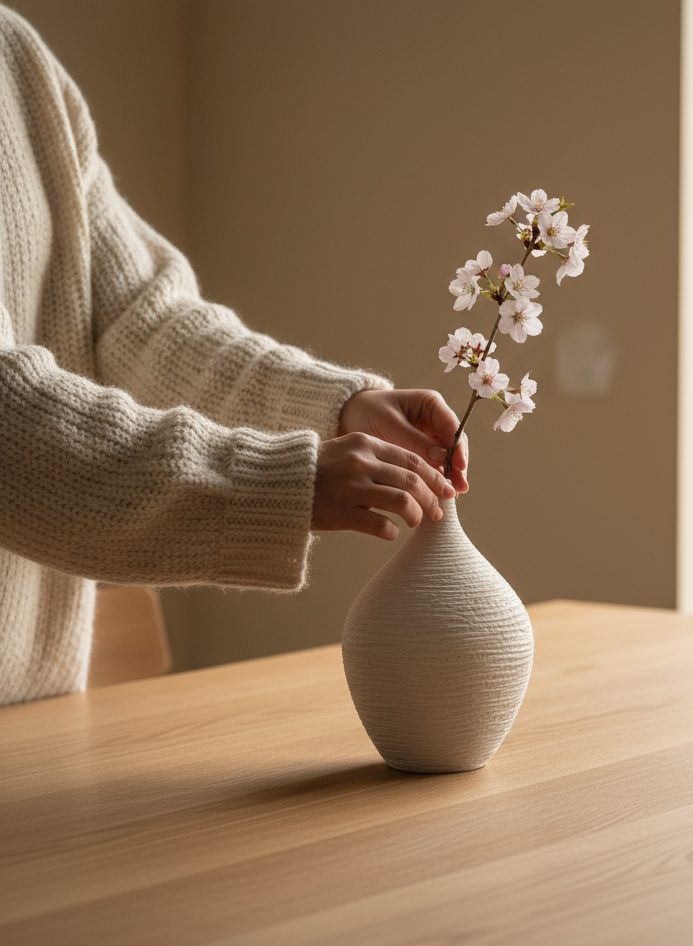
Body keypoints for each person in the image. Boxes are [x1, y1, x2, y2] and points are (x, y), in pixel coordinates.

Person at [0, 5, 468, 706]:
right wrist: (284, 483)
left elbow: (144, 320)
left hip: (41, 728)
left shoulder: (17, 59)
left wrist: (337, 408)